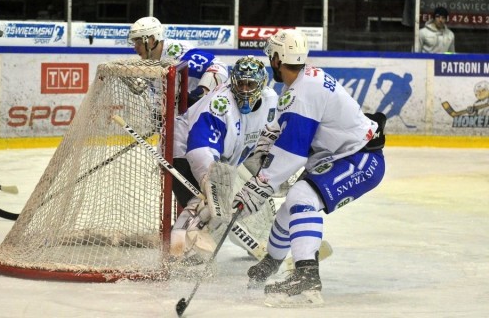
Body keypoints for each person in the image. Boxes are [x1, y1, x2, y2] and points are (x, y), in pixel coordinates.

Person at [231, 29, 386, 306]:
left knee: (301, 197)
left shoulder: (302, 93)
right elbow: (283, 126)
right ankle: (271, 263)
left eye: (271, 56)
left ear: (278, 59)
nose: (270, 60)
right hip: (341, 156)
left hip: (360, 160)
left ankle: (307, 275)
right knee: (293, 203)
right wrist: (268, 139)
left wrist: (259, 185)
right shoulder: (301, 83)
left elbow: (292, 152)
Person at [168, 55, 279, 263]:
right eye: (241, 84)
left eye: (251, 84)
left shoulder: (270, 99)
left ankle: (192, 249)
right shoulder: (220, 106)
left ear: (262, 85)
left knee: (233, 204)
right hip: (181, 151)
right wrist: (212, 183)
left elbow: (268, 132)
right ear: (233, 82)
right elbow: (199, 150)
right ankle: (178, 252)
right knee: (201, 205)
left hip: (225, 158)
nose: (245, 90)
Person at [127, 16, 229, 106]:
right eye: (134, 43)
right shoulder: (150, 61)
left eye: (139, 42)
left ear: (153, 40)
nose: (135, 48)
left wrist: (200, 93)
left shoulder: (176, 53)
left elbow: (220, 66)